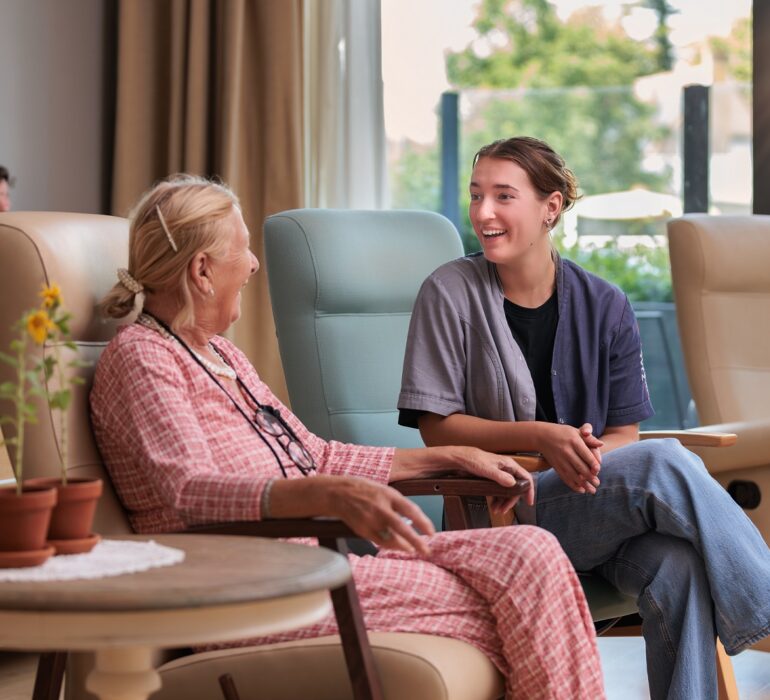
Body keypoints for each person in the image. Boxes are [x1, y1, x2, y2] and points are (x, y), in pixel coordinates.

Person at [89, 174, 606, 699]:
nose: (253, 265)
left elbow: (316, 456)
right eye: (242, 252)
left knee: (531, 552)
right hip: (246, 589)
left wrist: (452, 456)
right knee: (521, 601)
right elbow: (189, 491)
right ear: (202, 270)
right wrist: (324, 495)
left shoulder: (223, 357)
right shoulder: (143, 358)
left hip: (309, 566)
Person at [398, 136, 770, 700]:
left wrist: (589, 465)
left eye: (503, 195)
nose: (483, 212)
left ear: (551, 207)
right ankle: (766, 611)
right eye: (477, 196)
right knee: (666, 459)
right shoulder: (448, 292)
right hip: (497, 513)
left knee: (678, 565)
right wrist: (544, 439)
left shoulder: (606, 303)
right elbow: (436, 426)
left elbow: (623, 434)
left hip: (589, 509)